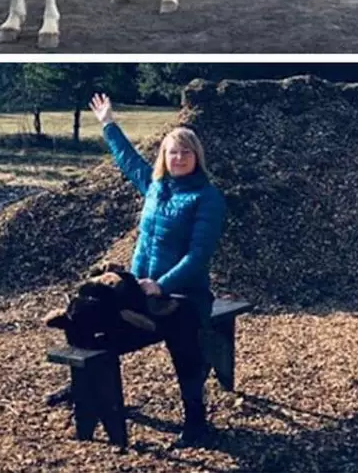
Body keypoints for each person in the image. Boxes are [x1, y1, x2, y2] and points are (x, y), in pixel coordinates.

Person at [89, 92, 227, 449]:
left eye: (185, 152)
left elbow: (198, 256)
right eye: (172, 151)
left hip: (185, 294)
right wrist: (108, 123)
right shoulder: (155, 187)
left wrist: (161, 286)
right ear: (164, 156)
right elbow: (128, 160)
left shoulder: (207, 197)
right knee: (89, 312)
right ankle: (83, 384)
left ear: (197, 157)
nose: (178, 157)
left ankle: (196, 420)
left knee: (183, 337)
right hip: (142, 288)